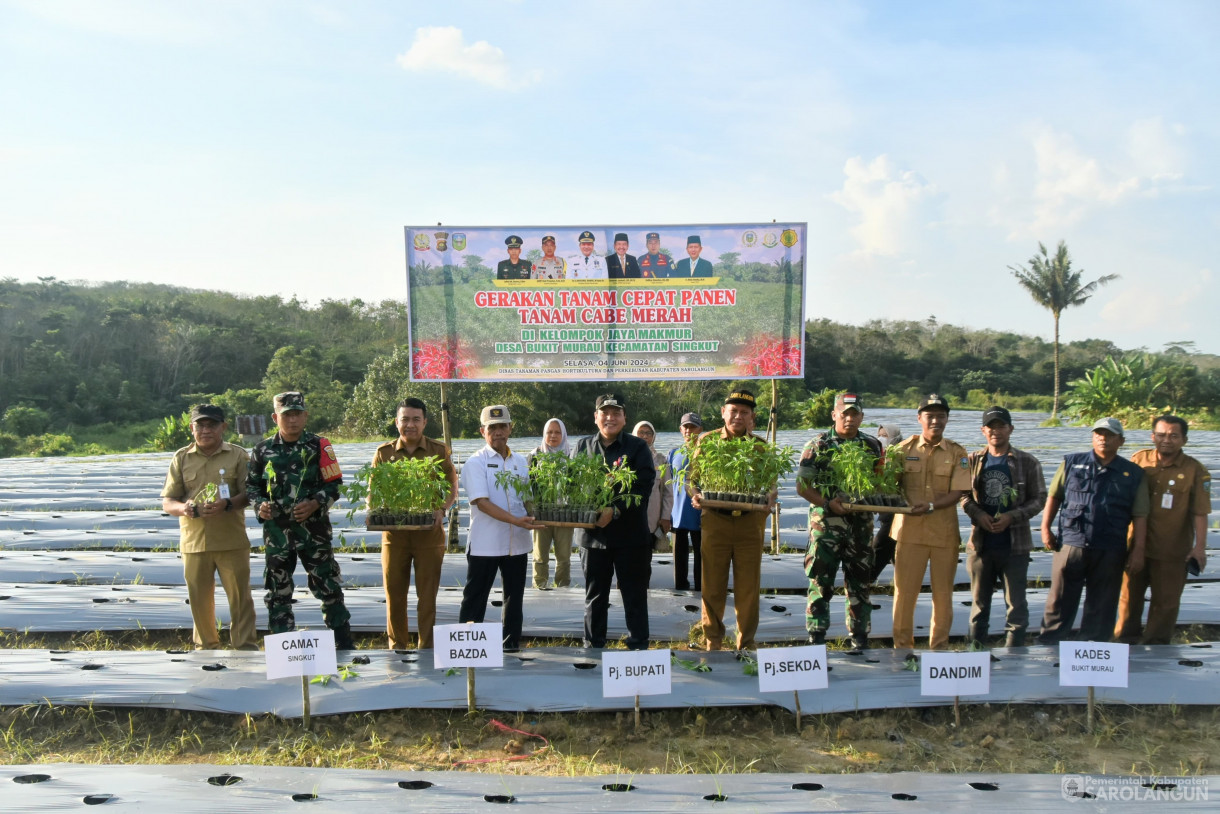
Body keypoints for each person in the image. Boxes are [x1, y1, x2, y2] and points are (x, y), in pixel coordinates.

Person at [248, 391, 354, 649]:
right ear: (276, 417)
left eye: (297, 414)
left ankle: (343, 643)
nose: (292, 420)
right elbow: (251, 487)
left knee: (327, 587)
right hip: (277, 535)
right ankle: (283, 647)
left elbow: (335, 485)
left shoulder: (320, 446)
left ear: (306, 416)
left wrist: (315, 502)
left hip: (314, 533)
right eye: (287, 415)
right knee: (278, 591)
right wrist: (259, 505)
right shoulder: (262, 450)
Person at [1039, 417, 1149, 644]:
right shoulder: (1071, 463)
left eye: (1109, 435)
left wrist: (1138, 549)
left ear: (1121, 441)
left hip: (1110, 547)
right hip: (1071, 542)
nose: (1103, 438)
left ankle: (1094, 651)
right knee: (1059, 600)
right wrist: (1045, 528)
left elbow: (1140, 515)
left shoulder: (1133, 474)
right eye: (1099, 433)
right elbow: (1054, 496)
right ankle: (1049, 646)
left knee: (1102, 602)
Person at [160, 404, 257, 650]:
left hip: (231, 540)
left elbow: (250, 494)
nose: (206, 430)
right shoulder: (182, 457)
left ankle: (244, 648)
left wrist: (228, 504)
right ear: (192, 428)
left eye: (212, 425)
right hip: (194, 542)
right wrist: (186, 508)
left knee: (240, 600)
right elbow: (168, 501)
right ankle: (206, 649)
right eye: (200, 425)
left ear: (223, 427)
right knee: (199, 601)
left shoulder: (237, 455)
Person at [795, 393, 883, 651]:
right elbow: (802, 486)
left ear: (862, 417)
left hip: (860, 529)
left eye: (854, 414)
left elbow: (879, 482)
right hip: (826, 529)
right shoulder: (818, 445)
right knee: (821, 583)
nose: (849, 418)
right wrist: (827, 503)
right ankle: (817, 637)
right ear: (834, 415)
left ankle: (859, 638)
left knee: (860, 584)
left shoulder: (872, 446)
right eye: (844, 413)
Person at [691, 389, 775, 652]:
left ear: (752, 417)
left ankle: (746, 643)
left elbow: (770, 484)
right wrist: (695, 495)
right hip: (715, 520)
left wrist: (771, 496)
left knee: (748, 587)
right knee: (712, 585)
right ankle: (713, 640)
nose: (738, 416)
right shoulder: (707, 442)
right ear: (723, 413)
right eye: (734, 411)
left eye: (745, 412)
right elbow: (692, 480)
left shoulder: (761, 446)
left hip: (750, 523)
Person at [371, 397, 458, 649]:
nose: (410, 425)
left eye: (416, 419)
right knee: (394, 595)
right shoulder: (383, 453)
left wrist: (442, 508)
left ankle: (427, 647)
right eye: (405, 419)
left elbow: (452, 487)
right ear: (397, 422)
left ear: (425, 422)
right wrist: (371, 508)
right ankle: (397, 646)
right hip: (394, 536)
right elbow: (373, 488)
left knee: (427, 597)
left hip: (428, 535)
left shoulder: (438, 451)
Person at [1114, 415, 1210, 644]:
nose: (1167, 440)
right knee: (1128, 599)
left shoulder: (1194, 470)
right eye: (1161, 435)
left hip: (1172, 550)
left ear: (1184, 440)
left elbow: (1200, 512)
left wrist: (1199, 548)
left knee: (1165, 604)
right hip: (1135, 546)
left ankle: (1155, 651)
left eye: (1174, 436)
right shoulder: (1139, 460)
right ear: (1153, 437)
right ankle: (1123, 644)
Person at [958, 406, 1047, 648]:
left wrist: (1012, 516)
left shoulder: (1028, 462)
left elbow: (1039, 498)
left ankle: (1014, 653)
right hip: (981, 544)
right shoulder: (973, 460)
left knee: (1016, 604)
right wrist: (978, 515)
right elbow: (963, 495)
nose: (995, 431)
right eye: (991, 426)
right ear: (983, 430)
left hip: (1015, 546)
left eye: (1001, 426)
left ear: (1011, 429)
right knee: (979, 604)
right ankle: (975, 651)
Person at [889, 394, 972, 652]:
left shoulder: (957, 452)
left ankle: (939, 648)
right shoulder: (902, 450)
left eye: (941, 415)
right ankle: (902, 648)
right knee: (904, 593)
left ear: (947, 419)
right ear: (920, 418)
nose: (935, 420)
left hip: (943, 535)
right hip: (909, 532)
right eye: (930, 415)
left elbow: (959, 491)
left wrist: (933, 505)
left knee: (943, 595)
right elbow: (889, 485)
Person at [573, 394, 656, 649]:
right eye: (605, 412)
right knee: (595, 596)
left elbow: (643, 488)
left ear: (624, 418)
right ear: (596, 417)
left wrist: (615, 510)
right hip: (593, 538)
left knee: (634, 596)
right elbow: (572, 486)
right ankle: (594, 647)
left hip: (631, 538)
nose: (610, 417)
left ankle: (638, 648)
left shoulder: (637, 447)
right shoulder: (582, 447)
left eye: (616, 413)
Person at [459, 405, 542, 649]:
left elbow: (527, 497)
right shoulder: (476, 463)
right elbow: (482, 503)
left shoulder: (520, 461)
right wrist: (516, 520)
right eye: (492, 427)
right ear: (482, 431)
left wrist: (535, 514)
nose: (498, 432)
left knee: (514, 599)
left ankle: (511, 645)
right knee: (476, 598)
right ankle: (468, 650)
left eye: (502, 426)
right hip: (486, 544)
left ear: (510, 428)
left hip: (517, 544)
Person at [530, 417, 573, 589]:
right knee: (540, 556)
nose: (553, 436)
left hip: (565, 512)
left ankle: (563, 588)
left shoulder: (571, 456)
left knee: (564, 557)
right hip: (541, 513)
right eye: (549, 432)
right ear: (544, 434)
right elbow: (529, 485)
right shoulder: (535, 455)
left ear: (563, 434)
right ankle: (539, 587)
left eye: (557, 432)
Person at [668, 412, 704, 590]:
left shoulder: (706, 452)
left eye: (693, 427)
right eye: (686, 427)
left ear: (700, 429)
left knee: (702, 555)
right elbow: (667, 485)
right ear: (681, 429)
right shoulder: (673, 453)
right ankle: (680, 588)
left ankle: (701, 588)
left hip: (700, 511)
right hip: (678, 512)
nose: (689, 431)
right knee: (679, 556)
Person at [869, 422, 904, 584]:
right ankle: (902, 581)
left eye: (885, 436)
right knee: (892, 546)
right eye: (880, 435)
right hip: (884, 507)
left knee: (884, 543)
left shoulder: (901, 455)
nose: (881, 439)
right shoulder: (878, 456)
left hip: (897, 510)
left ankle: (868, 577)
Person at [632, 420, 673, 554]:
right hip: (630, 520)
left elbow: (668, 492)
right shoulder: (626, 458)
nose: (644, 436)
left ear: (653, 436)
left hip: (652, 521)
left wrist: (665, 517)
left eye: (648, 433)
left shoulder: (661, 460)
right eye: (641, 432)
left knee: (645, 559)